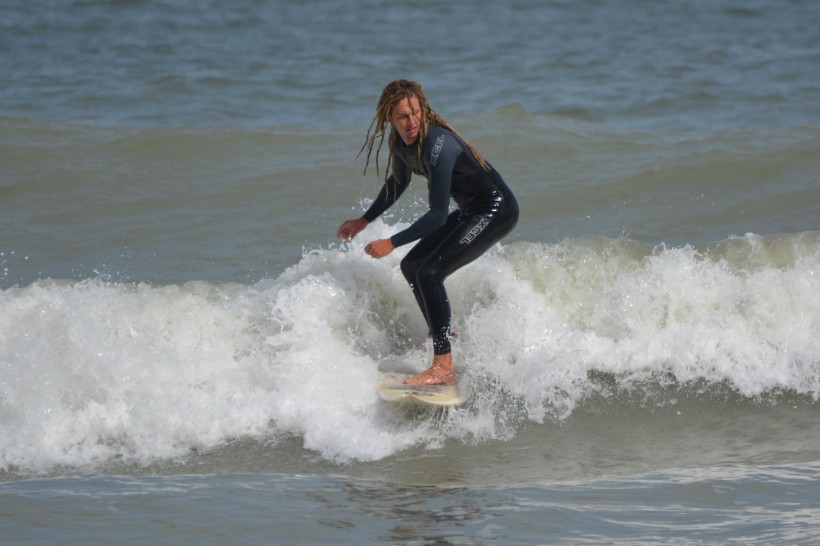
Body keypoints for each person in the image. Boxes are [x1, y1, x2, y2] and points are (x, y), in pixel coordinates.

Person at [337, 80, 518, 386]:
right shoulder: (400, 142)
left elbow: (436, 215)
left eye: (416, 113)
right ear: (389, 120)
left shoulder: (439, 145)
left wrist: (391, 242)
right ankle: (446, 337)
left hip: (495, 210)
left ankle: (443, 364)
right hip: (471, 210)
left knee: (429, 273)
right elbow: (398, 183)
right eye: (402, 117)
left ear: (424, 109)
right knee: (412, 266)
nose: (411, 122)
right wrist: (364, 220)